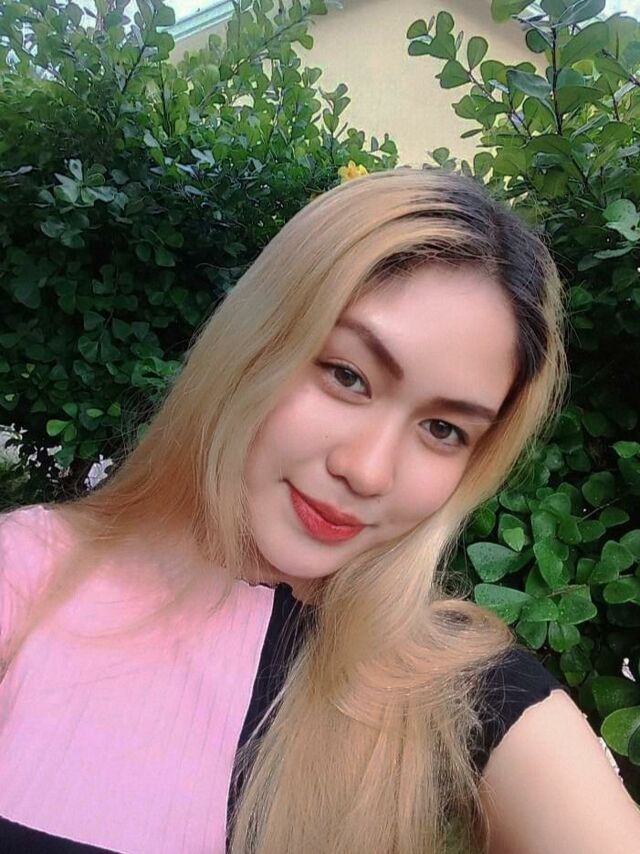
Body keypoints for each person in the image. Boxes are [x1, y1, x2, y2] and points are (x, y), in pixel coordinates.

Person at [0, 167, 638, 854]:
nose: (367, 470)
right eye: (347, 375)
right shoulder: (25, 577)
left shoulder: (455, 688)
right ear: (254, 341)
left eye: (443, 429)